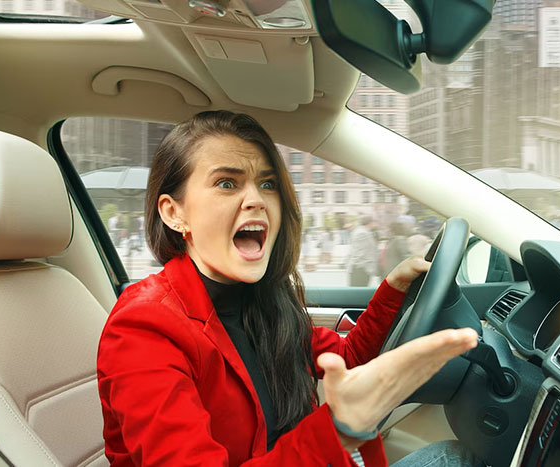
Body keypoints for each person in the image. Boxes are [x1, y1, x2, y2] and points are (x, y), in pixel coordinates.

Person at [97, 111, 480, 466]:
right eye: (227, 183)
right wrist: (340, 430)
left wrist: (393, 289)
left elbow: (347, 357)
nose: (256, 200)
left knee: (460, 454)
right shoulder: (144, 328)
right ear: (174, 213)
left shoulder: (262, 300)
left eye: (267, 184)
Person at [347, 215, 378, 286]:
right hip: (361, 268)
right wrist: (365, 266)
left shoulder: (361, 231)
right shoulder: (362, 233)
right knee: (358, 291)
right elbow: (360, 252)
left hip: (360, 268)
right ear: (370, 222)